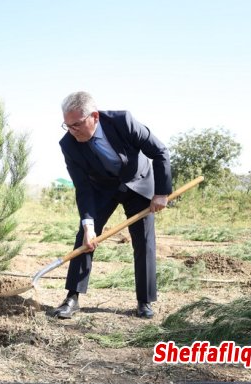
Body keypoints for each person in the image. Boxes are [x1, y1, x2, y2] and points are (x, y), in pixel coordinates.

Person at [54, 91, 172, 320]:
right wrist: (89, 225)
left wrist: (161, 193)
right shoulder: (69, 144)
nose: (72, 130)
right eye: (67, 125)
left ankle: (144, 301)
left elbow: (159, 152)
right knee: (85, 236)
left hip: (138, 184)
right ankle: (72, 297)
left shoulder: (122, 122)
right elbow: (83, 187)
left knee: (144, 239)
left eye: (76, 124)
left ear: (94, 117)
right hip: (103, 188)